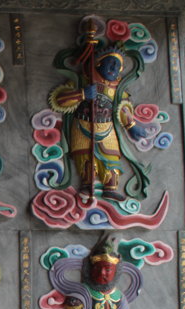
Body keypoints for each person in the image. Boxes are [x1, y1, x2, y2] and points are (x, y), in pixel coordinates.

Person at [49, 45, 147, 201]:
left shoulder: (117, 90)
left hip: (107, 127)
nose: (113, 68)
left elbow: (122, 108)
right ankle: (87, 185)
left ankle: (110, 188)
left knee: (111, 159)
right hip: (83, 125)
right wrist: (82, 94)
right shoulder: (82, 81)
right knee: (86, 160)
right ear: (99, 63)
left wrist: (131, 126)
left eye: (117, 66)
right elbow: (59, 100)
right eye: (110, 63)